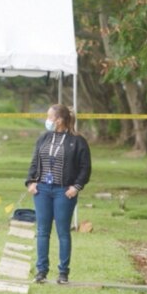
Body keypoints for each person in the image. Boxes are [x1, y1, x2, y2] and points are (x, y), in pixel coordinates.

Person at [24, 104, 92, 284]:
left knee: (63, 231)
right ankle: (41, 272)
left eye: (49, 117)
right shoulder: (44, 138)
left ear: (59, 120)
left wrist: (76, 187)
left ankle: (63, 273)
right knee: (42, 231)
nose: (47, 120)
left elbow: (85, 168)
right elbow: (34, 162)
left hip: (64, 191)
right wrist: (31, 182)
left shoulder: (77, 141)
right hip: (42, 190)